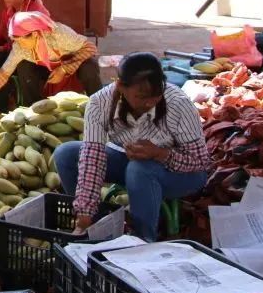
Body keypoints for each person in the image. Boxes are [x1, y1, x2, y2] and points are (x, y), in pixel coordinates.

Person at [53, 52, 210, 241]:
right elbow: (92, 159)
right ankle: (95, 228)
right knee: (66, 154)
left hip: (183, 173)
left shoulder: (178, 103)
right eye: (141, 97)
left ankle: (142, 240)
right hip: (129, 163)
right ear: (120, 87)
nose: (150, 103)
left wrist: (160, 154)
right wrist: (84, 214)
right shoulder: (99, 103)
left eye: (156, 96)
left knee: (140, 169)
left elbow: (200, 162)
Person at [0, 11, 101, 110]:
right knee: (24, 66)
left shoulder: (59, 35)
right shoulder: (19, 48)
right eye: (14, 40)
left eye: (19, 40)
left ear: (34, 34)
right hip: (48, 73)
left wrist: (63, 69)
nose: (17, 44)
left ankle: (98, 107)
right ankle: (34, 110)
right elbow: (4, 73)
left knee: (90, 66)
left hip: (73, 69)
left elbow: (90, 48)